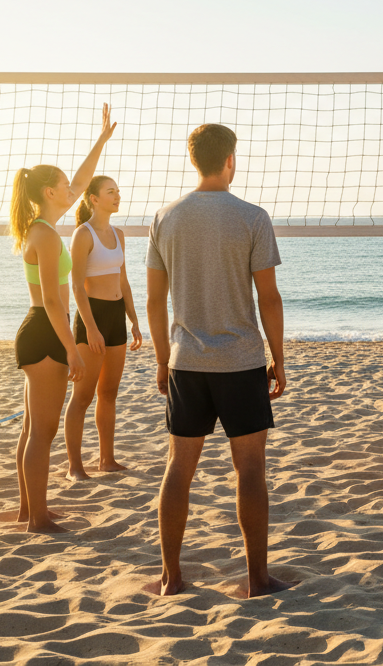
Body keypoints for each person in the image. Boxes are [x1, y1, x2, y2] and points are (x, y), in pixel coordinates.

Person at [144, 122, 292, 598]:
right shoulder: (252, 216)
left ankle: (171, 577)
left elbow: (153, 301)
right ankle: (256, 578)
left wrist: (163, 361)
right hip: (240, 362)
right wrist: (279, 358)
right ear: (230, 159)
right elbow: (268, 298)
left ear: (194, 160)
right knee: (250, 470)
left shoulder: (165, 217)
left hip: (187, 362)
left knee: (177, 468)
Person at [8, 103, 117, 533]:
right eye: (64, 187)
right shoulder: (45, 235)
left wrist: (102, 140)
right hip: (45, 332)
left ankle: (28, 509)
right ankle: (37, 518)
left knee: (33, 426)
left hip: (39, 330)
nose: (72, 189)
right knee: (42, 431)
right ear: (50, 193)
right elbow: (54, 302)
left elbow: (81, 180)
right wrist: (72, 350)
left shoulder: (43, 226)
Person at [63, 175, 143, 480]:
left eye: (118, 192)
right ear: (93, 199)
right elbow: (76, 286)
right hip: (91, 318)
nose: (117, 196)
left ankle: (107, 460)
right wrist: (91, 328)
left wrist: (133, 318)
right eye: (111, 192)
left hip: (115, 317)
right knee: (82, 397)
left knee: (109, 393)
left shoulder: (119, 234)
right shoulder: (83, 235)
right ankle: (74, 467)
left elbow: (123, 281)